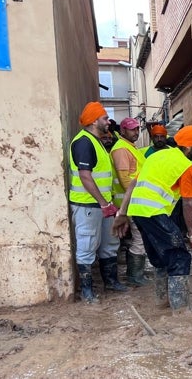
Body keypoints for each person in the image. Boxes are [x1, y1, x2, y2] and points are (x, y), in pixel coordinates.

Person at [112, 126, 192, 313]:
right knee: (180, 256)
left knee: (161, 257)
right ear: (189, 146)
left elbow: (133, 185)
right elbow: (188, 205)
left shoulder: (155, 156)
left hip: (138, 211)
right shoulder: (186, 166)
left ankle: (162, 304)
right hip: (154, 211)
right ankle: (181, 311)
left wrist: (122, 213)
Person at [68, 102, 127, 304]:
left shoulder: (97, 141)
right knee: (87, 246)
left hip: (102, 205)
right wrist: (103, 203)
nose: (108, 121)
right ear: (94, 121)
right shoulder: (84, 142)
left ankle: (110, 282)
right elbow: (85, 176)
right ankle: (87, 291)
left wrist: (107, 203)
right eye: (104, 118)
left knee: (110, 243)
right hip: (88, 206)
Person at [110, 117, 149, 286]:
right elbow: (125, 178)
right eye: (132, 129)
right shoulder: (121, 149)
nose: (136, 132)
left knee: (139, 237)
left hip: (134, 201)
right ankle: (135, 275)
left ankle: (136, 273)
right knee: (139, 238)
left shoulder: (130, 148)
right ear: (123, 131)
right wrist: (132, 202)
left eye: (137, 129)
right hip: (131, 202)